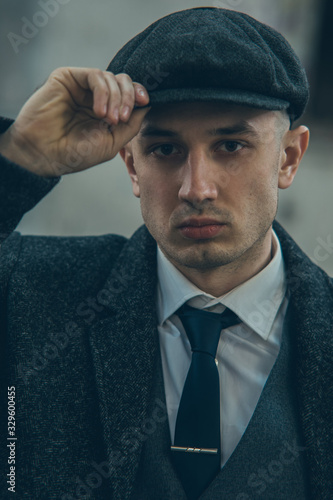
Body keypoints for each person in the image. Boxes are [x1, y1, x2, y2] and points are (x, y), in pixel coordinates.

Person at [0, 7, 332, 500]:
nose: (196, 188)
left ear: (288, 158)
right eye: (164, 150)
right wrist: (19, 158)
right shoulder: (31, 293)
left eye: (231, 146)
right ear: (132, 167)